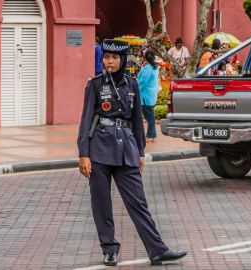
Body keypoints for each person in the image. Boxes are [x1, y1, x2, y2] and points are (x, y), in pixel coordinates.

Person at [77, 39, 187, 267]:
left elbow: (137, 121)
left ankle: (157, 250)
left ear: (123, 60)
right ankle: (109, 249)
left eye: (115, 58)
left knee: (138, 202)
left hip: (126, 149)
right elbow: (86, 119)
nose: (110, 61)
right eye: (107, 57)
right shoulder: (95, 85)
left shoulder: (132, 84)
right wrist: (83, 154)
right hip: (99, 149)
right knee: (101, 203)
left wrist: (140, 152)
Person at [137, 50, 159, 143]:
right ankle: (151, 135)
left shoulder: (147, 68)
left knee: (149, 118)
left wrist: (135, 86)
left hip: (145, 96)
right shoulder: (155, 67)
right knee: (150, 117)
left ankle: (150, 136)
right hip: (151, 95)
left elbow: (143, 82)